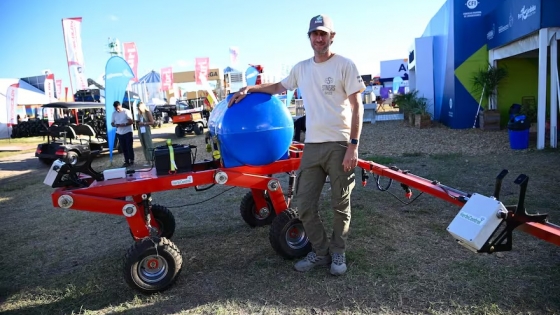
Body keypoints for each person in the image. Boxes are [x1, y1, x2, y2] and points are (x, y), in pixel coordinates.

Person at [228, 14, 365, 276]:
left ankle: (338, 253)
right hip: (312, 146)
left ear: (331, 37)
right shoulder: (302, 68)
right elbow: (279, 86)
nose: (319, 38)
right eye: (315, 34)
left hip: (339, 144)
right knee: (303, 203)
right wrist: (249, 89)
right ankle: (321, 251)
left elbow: (356, 106)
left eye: (323, 33)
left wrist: (353, 145)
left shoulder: (345, 65)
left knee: (340, 203)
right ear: (309, 37)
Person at [111, 101, 134, 167]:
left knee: (129, 146)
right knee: (123, 147)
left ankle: (131, 159)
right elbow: (112, 123)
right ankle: (126, 160)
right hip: (119, 132)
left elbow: (131, 121)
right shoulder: (114, 114)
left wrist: (124, 124)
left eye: (118, 108)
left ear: (120, 105)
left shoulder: (126, 111)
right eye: (116, 109)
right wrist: (115, 125)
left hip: (127, 131)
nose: (117, 110)